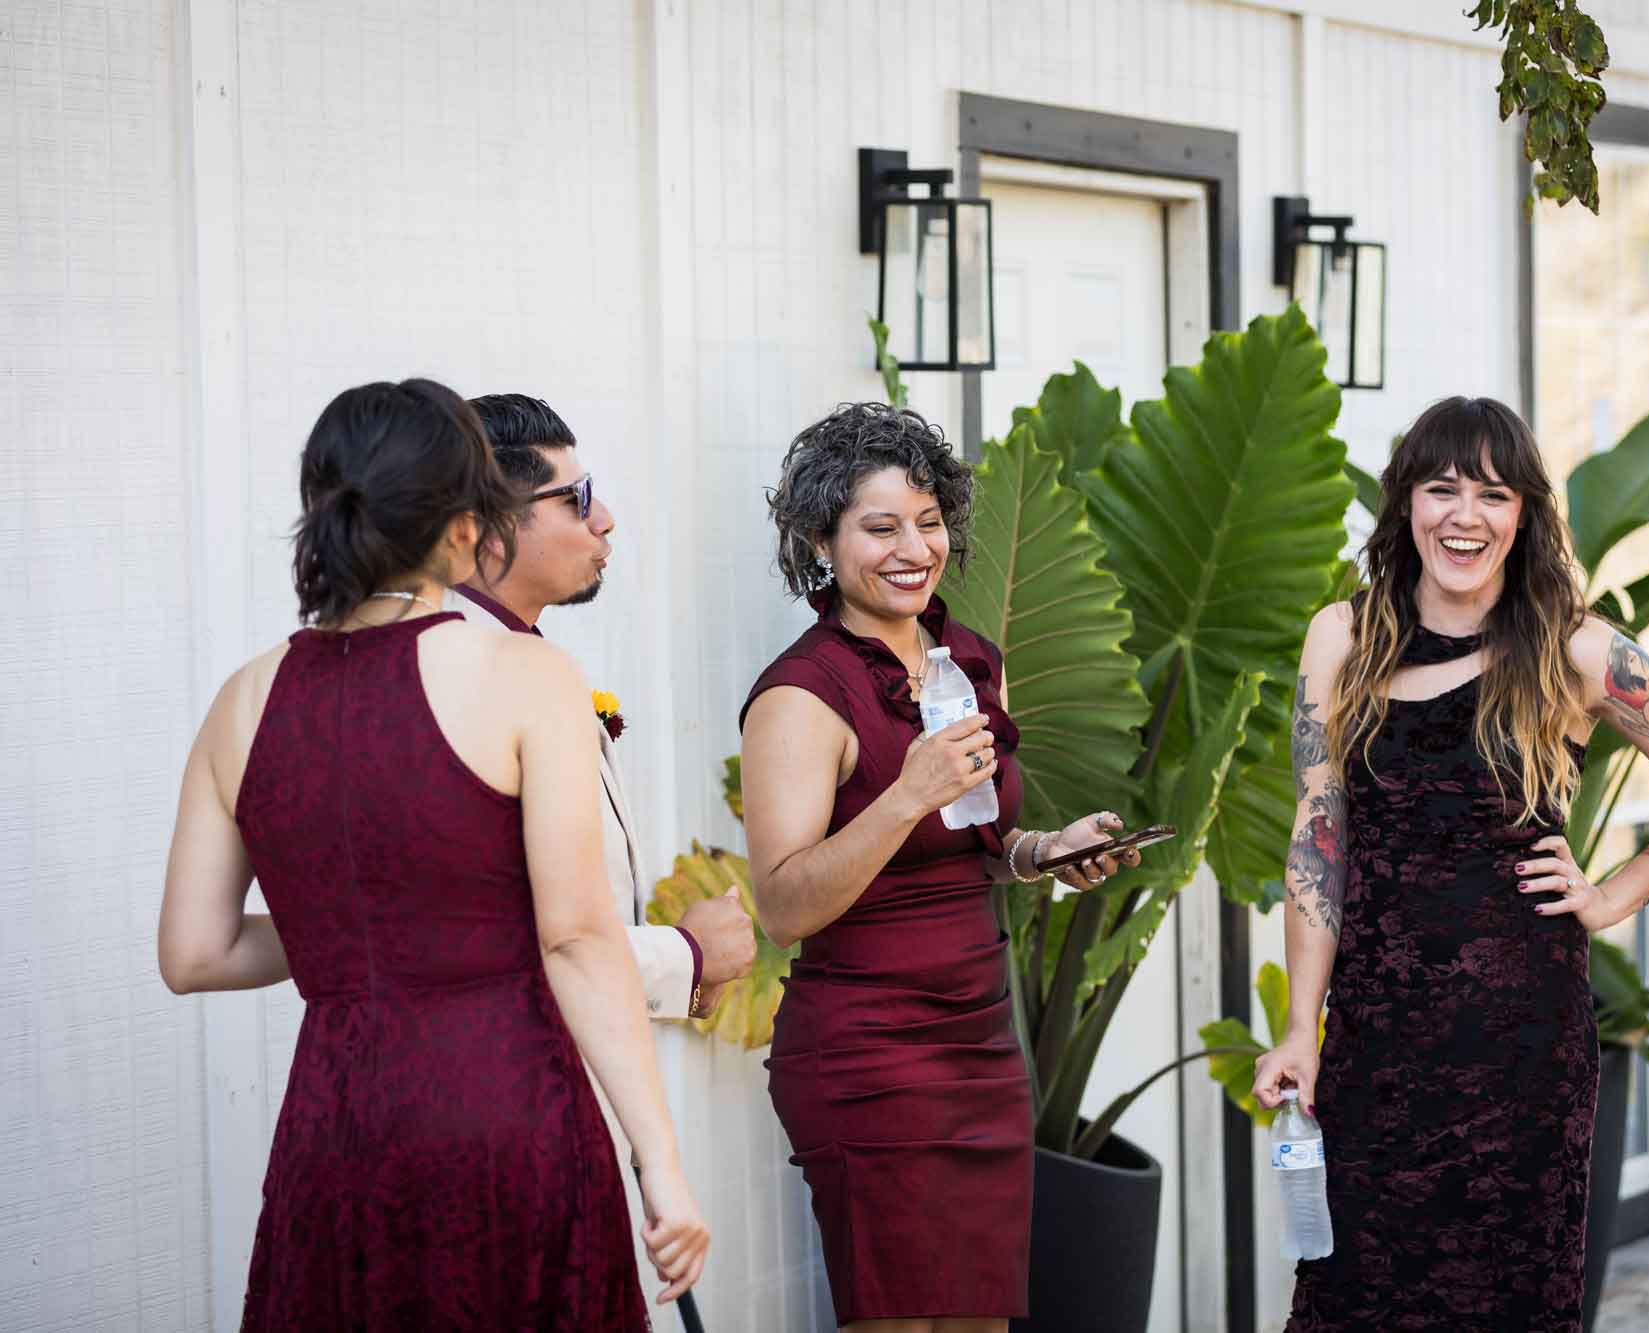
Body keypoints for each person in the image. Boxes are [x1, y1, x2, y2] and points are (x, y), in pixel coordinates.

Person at [156, 378, 709, 1329]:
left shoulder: (242, 699)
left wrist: (362, 923)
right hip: (505, 1115)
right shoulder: (524, 674)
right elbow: (577, 939)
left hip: (333, 1133)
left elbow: (194, 954)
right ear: (466, 527)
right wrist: (660, 1158)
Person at [1251, 396, 1649, 1332]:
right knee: (1350, 1301)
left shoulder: (1576, 647)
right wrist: (1300, 1025)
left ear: (1522, 513)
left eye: (1492, 493)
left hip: (1520, 1054)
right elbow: (1320, 843)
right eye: (1441, 488)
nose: (1465, 515)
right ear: (1404, 501)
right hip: (1374, 1048)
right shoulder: (1345, 637)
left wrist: (1611, 896)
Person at [737, 402, 1141, 1332]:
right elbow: (785, 904)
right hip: (868, 1053)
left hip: (981, 1049)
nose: (912, 547)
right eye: (880, 527)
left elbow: (969, 849)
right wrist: (906, 792)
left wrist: (1045, 852)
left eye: (928, 522)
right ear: (821, 540)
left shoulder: (969, 661)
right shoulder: (800, 696)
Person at [444, 391, 753, 1321]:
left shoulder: (519, 662)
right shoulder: (473, 680)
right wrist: (688, 953)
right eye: (579, 499)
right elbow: (518, 940)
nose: (605, 518)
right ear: (492, 525)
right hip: (509, 1112)